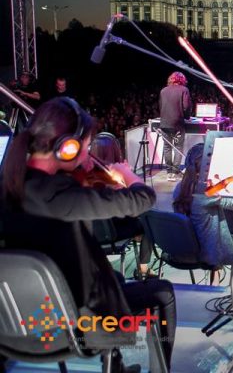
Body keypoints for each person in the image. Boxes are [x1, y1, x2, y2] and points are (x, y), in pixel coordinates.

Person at [0, 97, 176, 371]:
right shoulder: (59, 194)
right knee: (162, 293)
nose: (86, 157)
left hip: (19, 325)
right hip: (77, 326)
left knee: (115, 278)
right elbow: (143, 199)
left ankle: (116, 365)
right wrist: (126, 174)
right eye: (86, 146)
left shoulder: (11, 185)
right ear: (68, 147)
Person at [89, 132, 155, 280]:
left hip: (93, 232)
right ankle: (143, 269)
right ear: (115, 150)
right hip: (115, 231)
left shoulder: (86, 175)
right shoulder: (117, 176)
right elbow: (140, 201)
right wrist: (127, 174)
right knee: (149, 223)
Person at [172, 143, 233, 285]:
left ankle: (216, 276)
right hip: (208, 251)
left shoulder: (179, 188)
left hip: (186, 247)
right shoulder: (205, 194)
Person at [159, 71, 191, 181]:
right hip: (177, 123)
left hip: (164, 123)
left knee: (167, 147)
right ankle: (175, 172)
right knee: (178, 147)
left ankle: (169, 172)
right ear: (182, 80)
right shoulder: (184, 90)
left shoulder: (163, 90)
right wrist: (187, 117)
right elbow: (186, 107)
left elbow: (161, 106)